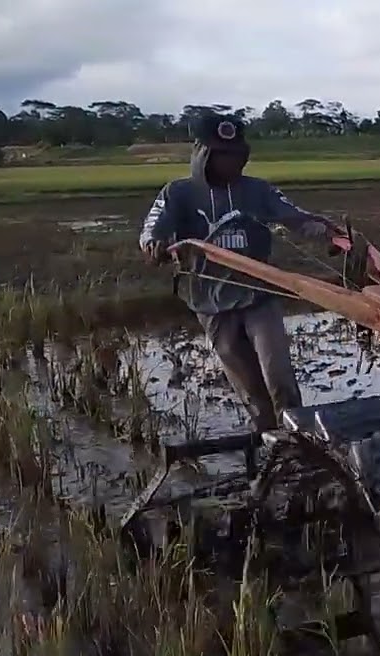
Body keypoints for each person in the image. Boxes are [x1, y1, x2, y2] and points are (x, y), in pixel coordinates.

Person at [138, 113, 342, 431]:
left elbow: (296, 217)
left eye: (235, 155)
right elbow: (151, 231)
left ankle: (300, 440)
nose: (229, 163)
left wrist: (327, 232)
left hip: (259, 296)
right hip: (211, 302)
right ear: (203, 154)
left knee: (279, 377)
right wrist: (154, 246)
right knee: (250, 388)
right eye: (221, 155)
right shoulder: (177, 193)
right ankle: (269, 443)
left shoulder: (258, 190)